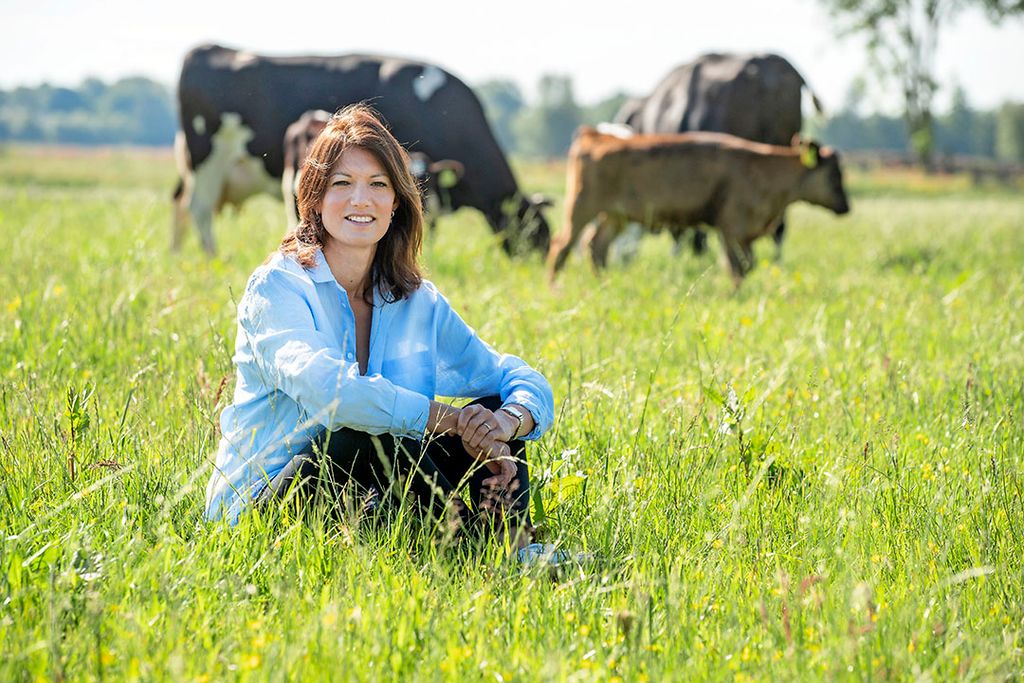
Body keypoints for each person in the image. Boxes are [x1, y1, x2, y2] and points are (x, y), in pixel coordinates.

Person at [203, 104, 553, 549]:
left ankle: (503, 541)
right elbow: (335, 397)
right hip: (266, 504)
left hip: (370, 492)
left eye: (378, 185)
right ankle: (480, 549)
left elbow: (518, 378)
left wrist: (503, 424)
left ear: (397, 203)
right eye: (341, 184)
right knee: (358, 433)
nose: (360, 200)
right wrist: (452, 421)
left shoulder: (415, 300)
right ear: (313, 199)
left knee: (488, 407)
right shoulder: (279, 286)